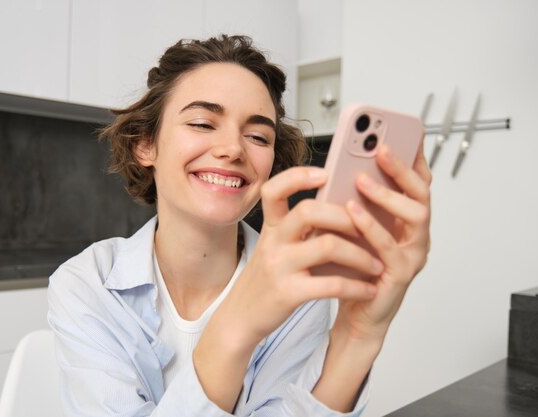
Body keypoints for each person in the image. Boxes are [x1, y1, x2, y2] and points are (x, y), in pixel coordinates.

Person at [47, 34, 431, 417]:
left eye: (258, 136)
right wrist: (238, 325)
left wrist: (359, 334)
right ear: (146, 145)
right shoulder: (87, 284)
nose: (233, 149)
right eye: (202, 123)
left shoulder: (301, 292)